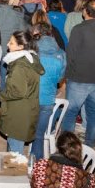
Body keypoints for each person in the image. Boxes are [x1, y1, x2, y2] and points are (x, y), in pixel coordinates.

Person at [61, 0, 95, 146]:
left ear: (85, 11)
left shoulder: (79, 29)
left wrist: (66, 75)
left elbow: (70, 55)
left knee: (71, 112)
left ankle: (67, 145)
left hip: (79, 78)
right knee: (93, 112)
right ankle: (90, 143)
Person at [0, 31, 43, 154]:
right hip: (24, 111)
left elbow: (17, 92)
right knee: (12, 149)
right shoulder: (29, 59)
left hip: (18, 115)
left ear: (21, 47)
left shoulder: (20, 66)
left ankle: (14, 173)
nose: (8, 44)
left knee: (15, 155)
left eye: (11, 43)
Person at [32, 23, 67, 159]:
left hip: (30, 98)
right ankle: (37, 166)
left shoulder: (32, 51)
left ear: (37, 34)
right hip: (48, 100)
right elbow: (59, 79)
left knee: (19, 132)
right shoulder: (61, 54)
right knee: (39, 135)